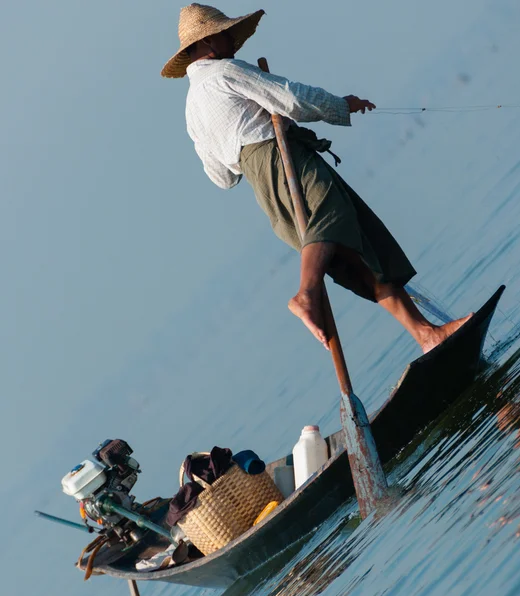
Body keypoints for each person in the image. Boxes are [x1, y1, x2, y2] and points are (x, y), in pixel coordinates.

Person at [161, 4, 472, 352]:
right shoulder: (224, 73)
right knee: (333, 215)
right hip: (282, 161)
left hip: (262, 184)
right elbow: (291, 99)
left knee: (361, 254)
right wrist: (340, 104)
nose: (232, 37)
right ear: (207, 42)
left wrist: (242, 139)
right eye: (224, 32)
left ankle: (427, 335)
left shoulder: (192, 108)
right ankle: (306, 295)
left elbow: (221, 176)